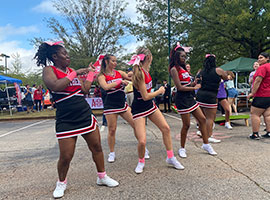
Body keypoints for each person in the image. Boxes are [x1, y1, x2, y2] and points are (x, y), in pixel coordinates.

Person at [34, 41, 118, 198]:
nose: (67, 56)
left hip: (84, 114)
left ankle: (102, 177)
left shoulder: (71, 71)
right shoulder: (49, 70)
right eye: (64, 54)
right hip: (66, 118)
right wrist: (75, 73)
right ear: (54, 56)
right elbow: (55, 86)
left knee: (97, 147)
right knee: (66, 156)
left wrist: (91, 73)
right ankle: (61, 183)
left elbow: (85, 90)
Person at [130, 47, 184, 174]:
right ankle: (141, 161)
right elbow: (145, 96)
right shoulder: (141, 73)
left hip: (149, 106)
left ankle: (170, 157)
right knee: (142, 141)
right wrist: (159, 91)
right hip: (139, 108)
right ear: (149, 58)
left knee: (166, 128)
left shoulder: (145, 71)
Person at [169, 44, 217, 158]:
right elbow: (179, 87)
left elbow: (187, 84)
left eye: (185, 57)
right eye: (182, 57)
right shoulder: (174, 69)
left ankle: (206, 144)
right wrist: (194, 88)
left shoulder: (184, 69)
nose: (184, 59)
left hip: (190, 98)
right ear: (176, 57)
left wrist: (193, 83)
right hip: (182, 99)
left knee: (203, 119)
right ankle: (182, 148)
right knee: (186, 125)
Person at [98, 54, 145, 163]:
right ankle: (111, 153)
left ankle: (142, 148)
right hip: (110, 106)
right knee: (112, 130)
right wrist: (119, 81)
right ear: (106, 62)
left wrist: (135, 72)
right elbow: (105, 86)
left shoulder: (119, 72)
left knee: (135, 124)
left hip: (122, 105)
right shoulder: (101, 75)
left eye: (116, 61)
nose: (115, 63)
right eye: (113, 61)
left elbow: (132, 78)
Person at [196, 54, 228, 144]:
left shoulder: (202, 71)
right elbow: (226, 77)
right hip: (211, 95)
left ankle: (200, 131)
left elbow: (197, 79)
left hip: (200, 94)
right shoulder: (218, 70)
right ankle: (209, 136)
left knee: (202, 117)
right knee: (210, 118)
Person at [247, 52, 270, 139]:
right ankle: (269, 133)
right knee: (268, 114)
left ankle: (255, 134)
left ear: (267, 58)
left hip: (263, 94)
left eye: (261, 58)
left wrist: (252, 93)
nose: (259, 59)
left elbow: (258, 81)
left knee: (255, 114)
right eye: (258, 58)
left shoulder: (262, 67)